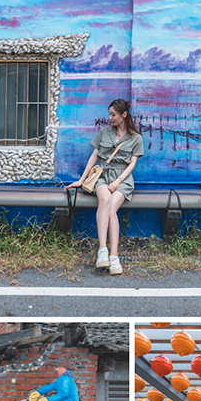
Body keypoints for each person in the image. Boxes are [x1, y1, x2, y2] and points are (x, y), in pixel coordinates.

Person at [67, 98, 144, 275]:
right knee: (104, 199)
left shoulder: (136, 138)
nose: (110, 118)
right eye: (109, 114)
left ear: (124, 115)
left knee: (111, 210)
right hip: (102, 176)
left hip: (122, 179)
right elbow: (94, 157)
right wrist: (81, 179)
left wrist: (118, 181)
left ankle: (114, 256)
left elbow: (132, 164)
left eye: (113, 114)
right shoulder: (104, 132)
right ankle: (103, 250)